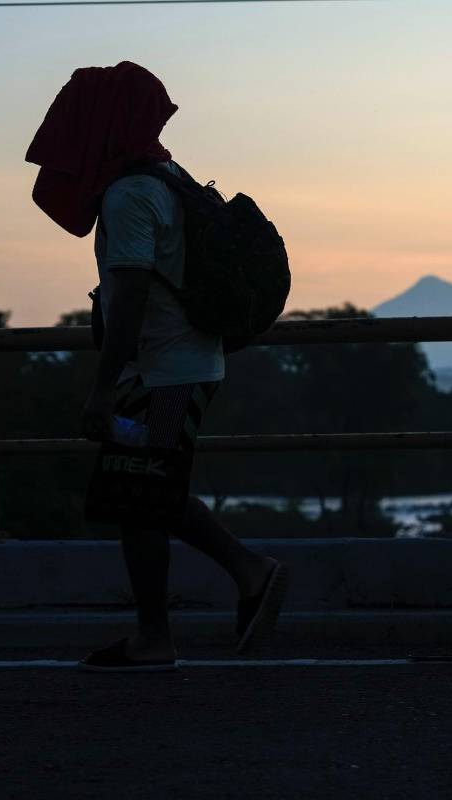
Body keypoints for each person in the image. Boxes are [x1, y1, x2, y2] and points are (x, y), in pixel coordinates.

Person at [26, 62, 288, 672]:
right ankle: (159, 630)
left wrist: (102, 387)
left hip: (165, 371)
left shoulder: (129, 194)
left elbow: (130, 294)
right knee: (136, 492)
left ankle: (243, 575)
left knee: (144, 492)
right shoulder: (167, 177)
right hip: (176, 365)